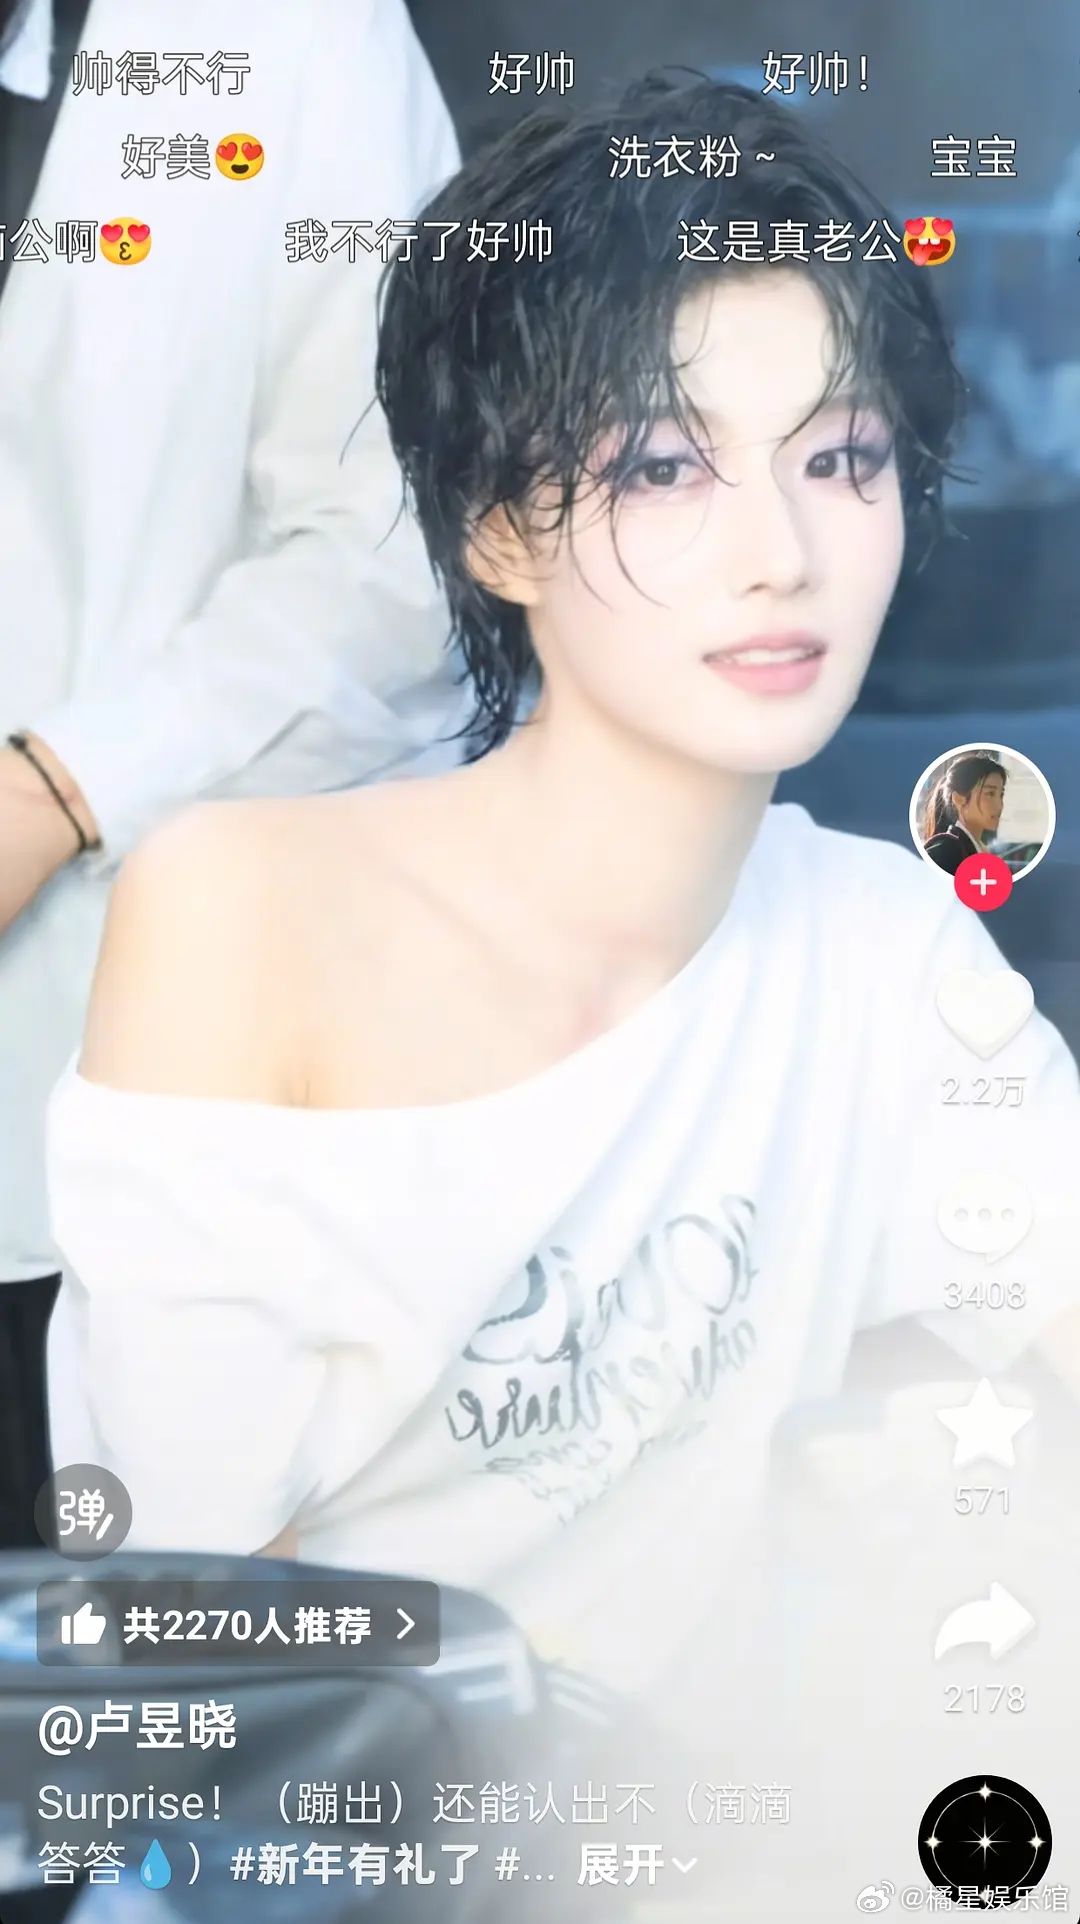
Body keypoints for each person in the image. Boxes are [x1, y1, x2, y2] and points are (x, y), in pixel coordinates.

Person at [45, 76, 1080, 1708]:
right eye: (665, 468)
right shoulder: (244, 917)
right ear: (499, 534)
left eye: (843, 457)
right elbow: (202, 1651)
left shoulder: (888, 958)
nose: (783, 551)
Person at [0, 0, 466, 1546]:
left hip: (94, 1101)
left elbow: (395, 566)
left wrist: (54, 789)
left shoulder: (293, 34)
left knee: (126, 1652)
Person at [921, 750, 1008, 874]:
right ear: (958, 799)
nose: (999, 806)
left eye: (1001, 795)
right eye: (990, 794)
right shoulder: (943, 854)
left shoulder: (981, 851)